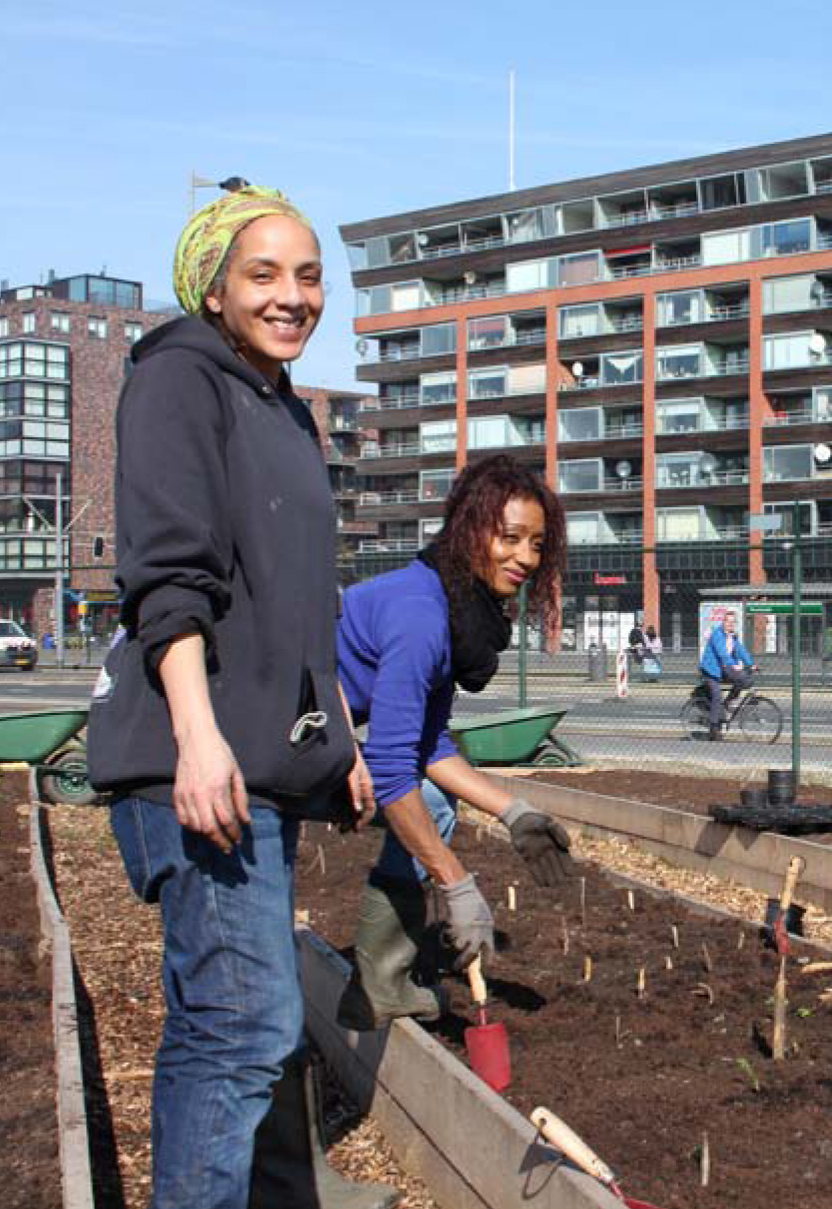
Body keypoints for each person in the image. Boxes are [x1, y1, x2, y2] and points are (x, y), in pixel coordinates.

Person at [87, 187, 394, 1208]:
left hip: (258, 758)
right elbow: (167, 577)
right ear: (213, 290)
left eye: (309, 276)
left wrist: (339, 735)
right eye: (263, 274)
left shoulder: (282, 407)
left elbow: (299, 604)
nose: (292, 295)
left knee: (233, 1021)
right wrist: (198, 737)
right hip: (202, 756)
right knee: (241, 1026)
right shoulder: (179, 378)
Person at [334, 454, 575, 1031]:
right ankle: (377, 982)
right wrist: (457, 882)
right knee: (427, 805)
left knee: (436, 802)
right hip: (275, 739)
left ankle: (379, 981)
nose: (526, 558)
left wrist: (514, 811)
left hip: (315, 732)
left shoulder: (453, 606)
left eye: (537, 544)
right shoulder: (422, 615)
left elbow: (430, 746)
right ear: (470, 530)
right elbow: (393, 771)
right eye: (509, 538)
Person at [698, 609, 754, 741]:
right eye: (727, 621)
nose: (730, 624)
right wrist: (733, 665)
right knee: (717, 695)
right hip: (711, 671)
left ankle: (727, 703)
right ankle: (713, 728)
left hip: (722, 669)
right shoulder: (717, 634)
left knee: (744, 680)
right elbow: (722, 653)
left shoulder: (733, 636)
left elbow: (741, 650)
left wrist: (751, 664)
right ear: (723, 622)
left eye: (733, 622)